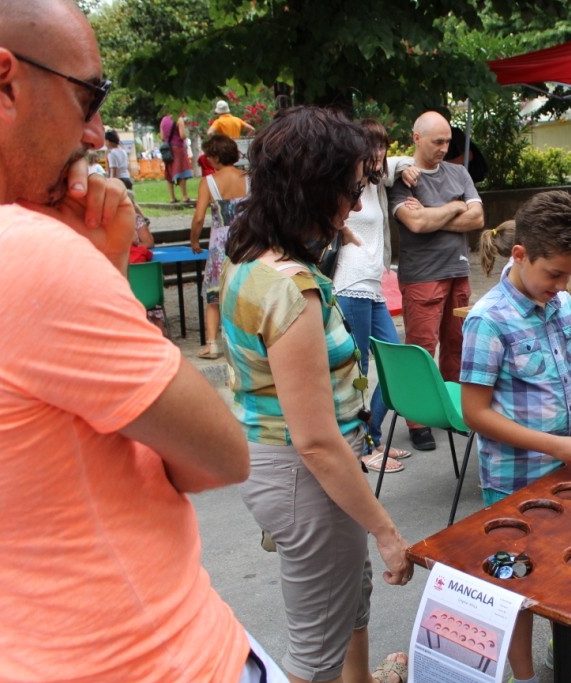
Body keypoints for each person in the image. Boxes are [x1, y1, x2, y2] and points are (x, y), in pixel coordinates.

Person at [0, 1, 288, 680]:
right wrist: (102, 273)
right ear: (6, 82)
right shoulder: (29, 256)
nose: (97, 134)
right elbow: (220, 455)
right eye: (89, 95)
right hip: (160, 657)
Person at [221, 106, 411, 683]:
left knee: (346, 603)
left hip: (286, 470)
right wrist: (387, 531)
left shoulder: (251, 261)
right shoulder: (292, 293)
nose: (358, 204)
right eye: (352, 188)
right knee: (314, 655)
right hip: (305, 477)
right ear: (313, 189)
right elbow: (317, 441)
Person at [461, 190, 571, 683]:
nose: (561, 284)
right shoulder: (488, 320)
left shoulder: (557, 303)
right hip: (515, 480)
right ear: (520, 255)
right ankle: (524, 674)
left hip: (565, 470)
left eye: (569, 275)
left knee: (563, 571)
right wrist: (558, 445)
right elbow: (474, 413)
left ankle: (565, 648)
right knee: (518, 584)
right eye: (554, 273)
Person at [388, 110, 484, 452]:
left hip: (458, 271)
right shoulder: (405, 178)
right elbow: (414, 225)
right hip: (422, 276)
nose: (444, 148)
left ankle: (450, 409)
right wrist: (455, 207)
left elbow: (478, 217)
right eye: (437, 141)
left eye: (447, 141)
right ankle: (417, 419)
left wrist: (432, 214)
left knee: (457, 346)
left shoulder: (459, 172)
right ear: (416, 138)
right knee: (422, 349)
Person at [333, 118, 419, 473]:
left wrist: (406, 166)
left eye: (382, 145)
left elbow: (401, 161)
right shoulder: (345, 184)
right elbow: (325, 214)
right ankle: (363, 446)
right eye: (371, 146)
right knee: (361, 371)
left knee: (395, 365)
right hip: (351, 283)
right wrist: (344, 233)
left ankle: (372, 434)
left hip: (374, 284)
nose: (379, 153)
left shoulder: (378, 181)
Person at [190, 133, 249, 359]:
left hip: (220, 242)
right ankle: (246, 342)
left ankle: (212, 343)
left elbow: (198, 218)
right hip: (246, 239)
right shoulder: (249, 178)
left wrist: (194, 241)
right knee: (246, 288)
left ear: (215, 156)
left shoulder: (209, 182)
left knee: (214, 294)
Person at [160, 109, 192, 203]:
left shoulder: (163, 120)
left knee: (169, 172)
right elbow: (182, 135)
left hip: (167, 150)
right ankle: (185, 196)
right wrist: (185, 136)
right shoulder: (179, 119)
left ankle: (172, 197)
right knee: (181, 170)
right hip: (178, 148)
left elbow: (162, 137)